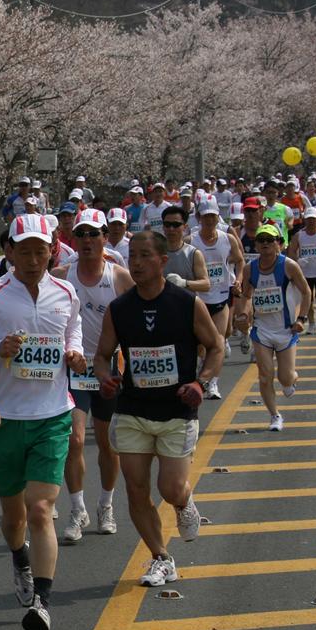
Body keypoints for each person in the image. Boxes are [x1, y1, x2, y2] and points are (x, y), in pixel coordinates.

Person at [0, 213, 85, 630]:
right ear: (9, 252)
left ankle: (41, 605)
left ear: (53, 251)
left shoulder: (66, 291)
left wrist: (74, 352)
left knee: (41, 509)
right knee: (14, 518)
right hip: (4, 418)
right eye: (24, 250)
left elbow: (74, 332)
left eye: (40, 250)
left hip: (53, 415)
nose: (33, 259)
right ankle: (19, 558)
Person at [95, 231, 220, 587]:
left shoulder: (185, 303)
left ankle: (183, 503)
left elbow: (215, 346)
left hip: (177, 411)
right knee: (135, 489)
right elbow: (102, 356)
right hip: (133, 409)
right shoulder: (120, 309)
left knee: (170, 488)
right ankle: (161, 558)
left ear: (163, 261)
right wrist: (105, 377)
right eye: (131, 255)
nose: (135, 263)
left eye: (144, 255)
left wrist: (200, 382)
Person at [50, 211, 133, 544]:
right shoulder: (59, 276)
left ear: (104, 238)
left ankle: (106, 505)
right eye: (81, 233)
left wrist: (127, 366)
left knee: (108, 444)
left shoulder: (120, 278)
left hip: (109, 369)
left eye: (93, 234)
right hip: (72, 369)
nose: (86, 240)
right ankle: (77, 509)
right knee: (75, 440)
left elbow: (135, 323)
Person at [235, 224, 311, 432]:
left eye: (270, 240)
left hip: (287, 330)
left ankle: (291, 379)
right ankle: (274, 415)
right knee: (264, 375)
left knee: (285, 378)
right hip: (262, 330)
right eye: (261, 240)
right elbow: (246, 296)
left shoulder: (289, 266)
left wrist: (302, 318)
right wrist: (242, 314)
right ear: (256, 244)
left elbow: (306, 292)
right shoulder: (250, 269)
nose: (266, 244)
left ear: (279, 243)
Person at [190, 201, 245, 390]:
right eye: (206, 216)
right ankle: (203, 367)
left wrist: (238, 279)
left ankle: (213, 382)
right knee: (202, 343)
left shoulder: (227, 238)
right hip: (200, 298)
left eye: (213, 216)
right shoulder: (191, 240)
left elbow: (240, 260)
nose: (210, 220)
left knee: (221, 337)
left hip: (222, 295)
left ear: (217, 217)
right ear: (199, 218)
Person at [160, 206, 210, 296]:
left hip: (187, 306)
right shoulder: (155, 252)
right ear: (163, 226)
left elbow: (206, 285)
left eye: (176, 225)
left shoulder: (194, 254)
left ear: (185, 227)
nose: (171, 229)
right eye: (167, 224)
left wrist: (184, 283)